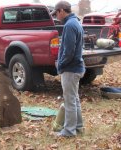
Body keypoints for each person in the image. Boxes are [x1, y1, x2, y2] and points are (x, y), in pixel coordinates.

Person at [51, 1, 85, 137]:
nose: (56, 16)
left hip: (71, 68)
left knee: (69, 101)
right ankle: (79, 126)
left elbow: (69, 51)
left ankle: (69, 131)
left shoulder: (70, 25)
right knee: (74, 99)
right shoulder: (76, 22)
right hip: (76, 67)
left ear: (61, 11)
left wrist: (60, 64)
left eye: (56, 13)